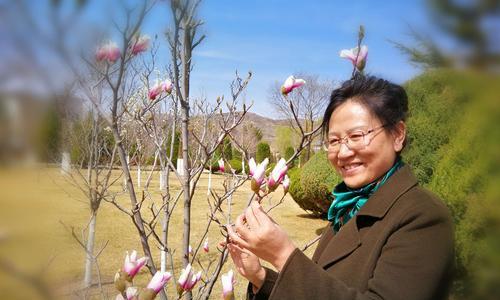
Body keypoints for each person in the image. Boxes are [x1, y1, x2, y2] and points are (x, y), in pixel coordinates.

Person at [226, 75, 454, 300]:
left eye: (356, 136)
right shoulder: (349, 208)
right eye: (334, 141)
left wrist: (283, 256)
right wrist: (261, 278)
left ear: (397, 135)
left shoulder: (422, 216)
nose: (343, 153)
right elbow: (327, 286)